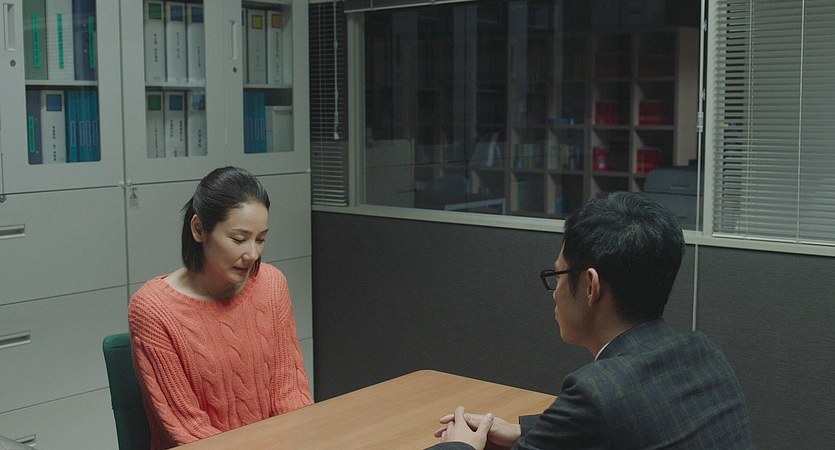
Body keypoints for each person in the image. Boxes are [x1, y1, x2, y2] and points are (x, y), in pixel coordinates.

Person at [430, 191, 754, 450]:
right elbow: (626, 424)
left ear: (590, 286)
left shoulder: (598, 392)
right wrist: (522, 430)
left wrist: (459, 445)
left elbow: (602, 415)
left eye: (558, 275)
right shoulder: (705, 355)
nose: (555, 292)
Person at [128, 166, 312, 450]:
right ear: (199, 229)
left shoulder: (272, 285)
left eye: (261, 239)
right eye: (239, 239)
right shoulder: (153, 309)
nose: (252, 254)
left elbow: (290, 395)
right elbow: (187, 429)